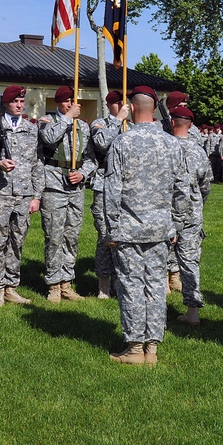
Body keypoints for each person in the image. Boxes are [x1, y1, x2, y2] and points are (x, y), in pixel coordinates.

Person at [103, 86, 189, 366]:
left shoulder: (122, 142)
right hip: (160, 229)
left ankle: (135, 348)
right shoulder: (172, 144)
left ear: (132, 107)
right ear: (153, 109)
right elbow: (182, 190)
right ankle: (152, 347)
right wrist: (176, 224)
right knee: (154, 286)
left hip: (128, 230)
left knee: (131, 286)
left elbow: (112, 190)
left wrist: (110, 228)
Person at [0, 85, 44, 306]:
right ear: (6, 103)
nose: (19, 105)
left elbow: (37, 165)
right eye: (15, 101)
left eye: (21, 101)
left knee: (17, 242)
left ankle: (11, 287)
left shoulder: (31, 129)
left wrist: (37, 196)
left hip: (23, 195)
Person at [39, 85, 96, 303]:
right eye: (66, 102)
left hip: (76, 187)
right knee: (54, 235)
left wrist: (82, 174)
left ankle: (67, 282)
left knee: (71, 236)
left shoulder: (83, 126)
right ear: (59, 103)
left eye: (74, 101)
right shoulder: (48, 121)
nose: (71, 105)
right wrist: (66, 118)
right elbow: (49, 140)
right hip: (54, 185)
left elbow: (91, 158)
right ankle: (54, 283)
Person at [171, 106, 212, 326]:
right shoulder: (199, 151)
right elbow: (206, 185)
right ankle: (192, 311)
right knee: (190, 262)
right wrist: (197, 204)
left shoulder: (165, 147)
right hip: (193, 213)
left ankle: (154, 309)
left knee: (158, 262)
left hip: (167, 213)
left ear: (173, 122)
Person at [90, 90, 128, 299]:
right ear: (111, 105)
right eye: (121, 104)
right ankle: (104, 283)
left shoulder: (130, 127)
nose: (126, 107)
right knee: (105, 235)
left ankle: (120, 280)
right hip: (104, 185)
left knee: (124, 236)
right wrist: (117, 120)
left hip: (126, 188)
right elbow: (102, 144)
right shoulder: (100, 124)